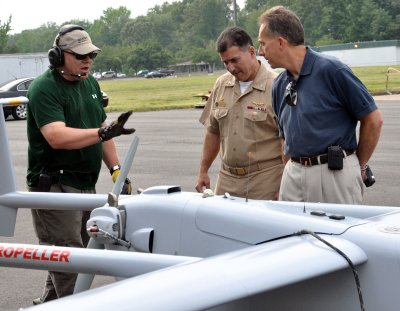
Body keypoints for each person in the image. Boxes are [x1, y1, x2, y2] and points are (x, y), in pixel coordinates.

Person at [26, 24, 135, 304]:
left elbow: (102, 127)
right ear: (58, 57)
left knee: (75, 252)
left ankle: (49, 305)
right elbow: (56, 136)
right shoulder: (44, 88)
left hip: (85, 184)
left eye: (92, 56)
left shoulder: (90, 83)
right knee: (69, 257)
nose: (88, 61)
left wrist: (116, 171)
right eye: (81, 56)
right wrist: (101, 133)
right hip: (55, 186)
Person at [257, 6, 383, 204]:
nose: (260, 52)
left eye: (263, 44)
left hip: (335, 174)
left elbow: (373, 120)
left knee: (336, 234)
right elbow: (284, 138)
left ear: (281, 42)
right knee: (291, 234)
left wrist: (359, 163)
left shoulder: (333, 70)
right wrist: (289, 173)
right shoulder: (279, 84)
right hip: (293, 175)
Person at [195, 26, 284, 200]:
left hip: (265, 180)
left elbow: (286, 142)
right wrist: (203, 171)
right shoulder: (221, 84)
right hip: (227, 179)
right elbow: (213, 131)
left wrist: (285, 184)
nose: (231, 68)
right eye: (225, 63)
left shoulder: (276, 86)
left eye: (235, 60)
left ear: (251, 52)